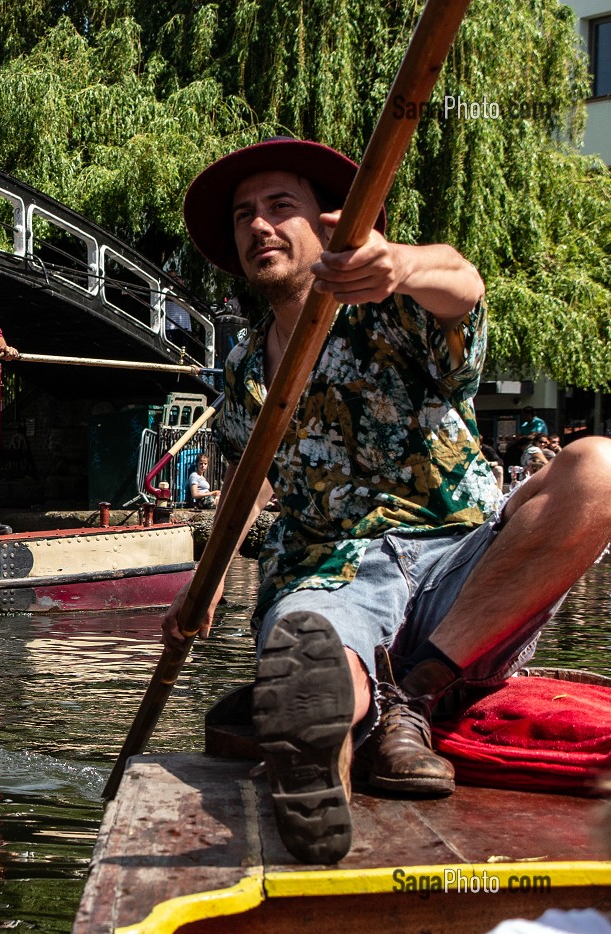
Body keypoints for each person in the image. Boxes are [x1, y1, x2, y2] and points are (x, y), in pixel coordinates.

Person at [169, 137, 611, 864]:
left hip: (459, 569)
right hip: (332, 569)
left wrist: (400, 264)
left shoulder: (391, 306)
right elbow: (256, 478)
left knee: (597, 466)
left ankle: (409, 692)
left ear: (330, 224)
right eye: (246, 214)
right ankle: (324, 757)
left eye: (282, 207)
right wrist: (207, 579)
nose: (259, 225)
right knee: (312, 655)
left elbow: (461, 281)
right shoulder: (247, 363)